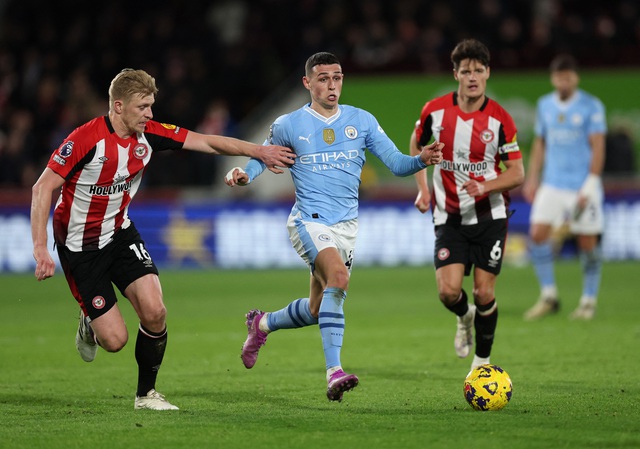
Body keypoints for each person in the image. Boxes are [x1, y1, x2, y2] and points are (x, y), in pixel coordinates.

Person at [30, 68, 295, 410]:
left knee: (155, 312)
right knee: (115, 341)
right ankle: (90, 321)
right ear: (119, 106)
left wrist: (259, 152)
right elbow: (42, 187)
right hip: (81, 246)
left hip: (120, 233)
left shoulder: (149, 135)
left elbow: (208, 141)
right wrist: (40, 248)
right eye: (143, 107)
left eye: (151, 106)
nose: (150, 115)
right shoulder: (85, 139)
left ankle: (146, 395)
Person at [224, 52, 444, 401]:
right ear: (307, 83)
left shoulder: (362, 121)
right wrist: (244, 175)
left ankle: (261, 324)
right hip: (308, 221)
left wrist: (422, 160)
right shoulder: (289, 124)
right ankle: (333, 372)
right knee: (338, 280)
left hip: (346, 227)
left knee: (316, 310)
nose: (331, 85)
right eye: (323, 78)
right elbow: (262, 157)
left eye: (337, 77)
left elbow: (398, 164)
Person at [409, 39, 524, 371]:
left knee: (484, 293)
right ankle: (465, 317)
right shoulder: (434, 110)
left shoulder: (500, 120)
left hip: (490, 216)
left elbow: (517, 172)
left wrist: (485, 185)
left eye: (478, 70)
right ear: (455, 74)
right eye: (465, 71)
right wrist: (422, 188)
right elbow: (417, 141)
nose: (472, 77)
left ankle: (482, 363)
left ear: (487, 73)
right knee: (448, 292)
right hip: (449, 216)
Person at [522, 54, 607, 321]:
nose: (563, 81)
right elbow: (540, 144)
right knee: (536, 234)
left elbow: (598, 147)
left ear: (576, 78)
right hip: (553, 183)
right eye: (559, 77)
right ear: (553, 79)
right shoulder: (545, 105)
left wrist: (591, 185)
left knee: (586, 243)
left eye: (568, 76)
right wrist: (533, 177)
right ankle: (549, 295)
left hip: (582, 184)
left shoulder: (591, 106)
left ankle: (588, 300)